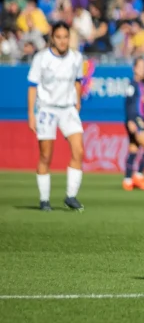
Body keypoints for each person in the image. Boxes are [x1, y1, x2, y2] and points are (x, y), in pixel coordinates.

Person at [27, 22, 86, 212]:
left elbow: (77, 81)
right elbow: (32, 86)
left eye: (65, 37)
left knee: (79, 150)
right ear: (53, 38)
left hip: (68, 108)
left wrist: (77, 102)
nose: (62, 41)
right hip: (47, 109)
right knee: (46, 154)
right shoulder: (42, 58)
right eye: (59, 37)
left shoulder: (76, 58)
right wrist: (31, 114)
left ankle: (71, 196)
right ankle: (44, 200)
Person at [123, 57, 144, 191]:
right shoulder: (132, 85)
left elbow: (142, 107)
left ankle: (127, 180)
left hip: (139, 120)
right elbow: (129, 105)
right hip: (135, 120)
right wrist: (131, 120)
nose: (143, 70)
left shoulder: (142, 85)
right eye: (140, 67)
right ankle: (138, 175)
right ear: (134, 69)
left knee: (133, 149)